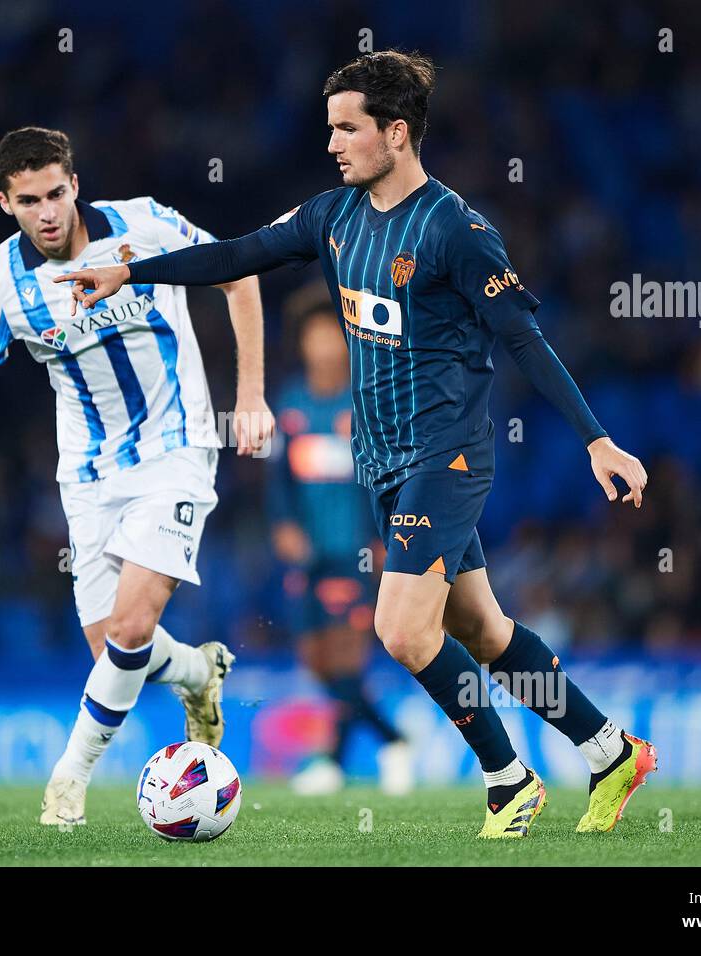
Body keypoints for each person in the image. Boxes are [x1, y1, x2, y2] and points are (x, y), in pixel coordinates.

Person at [56, 52, 658, 838]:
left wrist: (597, 440)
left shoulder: (457, 230)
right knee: (483, 631)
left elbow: (525, 339)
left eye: (349, 128)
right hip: (381, 463)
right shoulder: (333, 217)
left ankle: (509, 781)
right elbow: (237, 254)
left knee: (403, 630)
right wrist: (130, 271)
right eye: (330, 127)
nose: (334, 143)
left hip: (445, 457)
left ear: (397, 133)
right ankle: (611, 750)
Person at [0, 127, 274, 826]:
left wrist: (253, 394)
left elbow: (238, 273)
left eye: (57, 192)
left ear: (75, 184)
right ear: (5, 202)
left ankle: (66, 784)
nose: (48, 211)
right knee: (116, 649)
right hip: (86, 476)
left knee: (133, 624)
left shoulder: (143, 225)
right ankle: (199, 674)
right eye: (30, 200)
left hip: (176, 447)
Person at [270, 296, 412, 796]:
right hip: (308, 556)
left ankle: (333, 761)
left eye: (332, 335)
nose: (324, 345)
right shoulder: (291, 403)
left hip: (355, 553)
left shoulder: (365, 402)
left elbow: (387, 478)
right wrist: (283, 525)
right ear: (304, 344)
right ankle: (393, 739)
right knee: (317, 659)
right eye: (315, 336)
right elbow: (279, 481)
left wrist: (382, 537)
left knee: (348, 657)